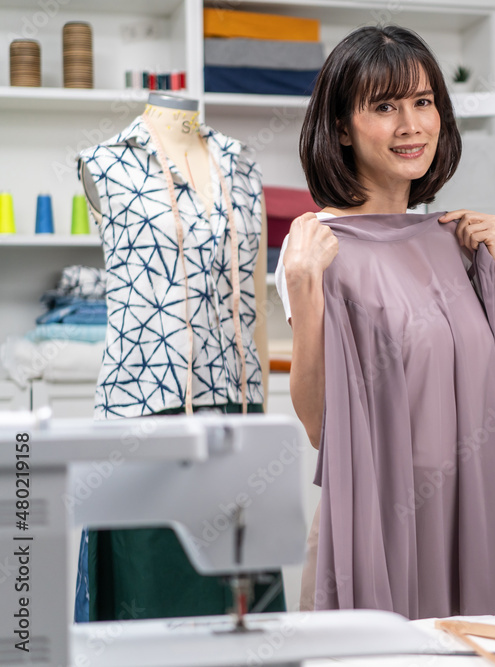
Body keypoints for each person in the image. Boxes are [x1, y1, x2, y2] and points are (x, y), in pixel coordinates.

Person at [274, 25, 495, 619]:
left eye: (423, 103)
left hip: (473, 512)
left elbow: (492, 393)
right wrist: (302, 288)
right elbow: (320, 424)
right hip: (379, 520)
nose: (410, 125)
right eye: (384, 107)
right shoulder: (318, 247)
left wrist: (493, 270)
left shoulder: (457, 240)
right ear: (341, 127)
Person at [76, 92, 281, 620]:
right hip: (143, 415)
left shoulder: (241, 164)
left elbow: (255, 298)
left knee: (237, 606)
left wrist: (260, 415)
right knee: (147, 605)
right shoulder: (106, 162)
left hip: (236, 414)